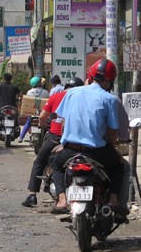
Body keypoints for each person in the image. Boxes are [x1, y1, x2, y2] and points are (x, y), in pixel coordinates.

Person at [49, 59, 125, 215]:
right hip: (96, 152)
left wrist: (65, 142)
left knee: (55, 165)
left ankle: (62, 200)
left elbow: (63, 122)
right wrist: (114, 149)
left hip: (71, 150)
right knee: (119, 166)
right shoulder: (109, 99)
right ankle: (113, 200)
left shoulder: (71, 93)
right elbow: (111, 132)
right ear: (110, 81)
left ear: (90, 76)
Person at [20, 77, 83, 207]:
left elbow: (42, 117)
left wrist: (44, 125)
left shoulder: (56, 97)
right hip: (78, 139)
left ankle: (32, 195)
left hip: (55, 137)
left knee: (39, 162)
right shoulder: (84, 99)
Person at [0, 72, 21, 141]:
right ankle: (16, 129)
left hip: (3, 108)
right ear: (11, 79)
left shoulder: (1, 87)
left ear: (4, 79)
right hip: (13, 108)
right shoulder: (14, 87)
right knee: (16, 120)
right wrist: (18, 99)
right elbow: (20, 95)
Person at [19, 76, 50, 142]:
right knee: (46, 125)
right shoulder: (46, 92)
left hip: (32, 113)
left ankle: (21, 137)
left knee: (28, 123)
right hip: (43, 113)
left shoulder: (29, 92)